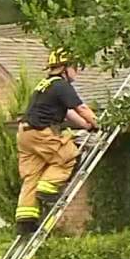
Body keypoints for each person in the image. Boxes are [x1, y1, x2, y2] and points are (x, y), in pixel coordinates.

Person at [14, 48, 100, 234]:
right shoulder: (61, 85)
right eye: (74, 66)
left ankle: (25, 220)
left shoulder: (45, 85)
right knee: (68, 155)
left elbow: (69, 112)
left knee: (31, 176)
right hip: (40, 132)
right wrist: (97, 123)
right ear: (64, 68)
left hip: (24, 134)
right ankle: (48, 188)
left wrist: (87, 126)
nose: (76, 71)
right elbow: (81, 108)